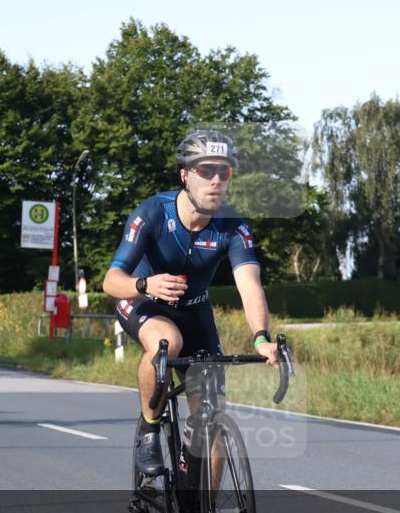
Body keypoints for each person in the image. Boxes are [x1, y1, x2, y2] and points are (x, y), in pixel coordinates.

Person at [102, 130, 278, 478]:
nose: (216, 181)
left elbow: (249, 285)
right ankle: (150, 429)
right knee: (168, 341)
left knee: (213, 420)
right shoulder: (153, 212)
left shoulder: (233, 225)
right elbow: (111, 281)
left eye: (224, 172)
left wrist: (261, 337)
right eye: (205, 171)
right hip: (143, 301)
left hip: (195, 309)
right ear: (185, 175)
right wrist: (144, 283)